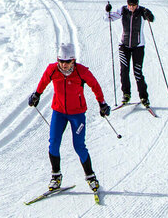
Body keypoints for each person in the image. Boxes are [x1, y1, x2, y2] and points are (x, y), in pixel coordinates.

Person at [28, 43, 110, 193]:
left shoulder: (81, 71)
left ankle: (91, 176)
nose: (64, 65)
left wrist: (102, 103)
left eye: (67, 62)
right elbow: (44, 81)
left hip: (77, 114)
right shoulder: (52, 69)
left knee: (79, 146)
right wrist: (36, 95)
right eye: (61, 61)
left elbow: (95, 86)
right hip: (59, 112)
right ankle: (56, 177)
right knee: (53, 143)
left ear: (73, 60)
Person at [105, 0, 154, 107]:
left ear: (137, 3)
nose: (131, 7)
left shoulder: (142, 11)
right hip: (124, 45)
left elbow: (152, 19)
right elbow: (108, 18)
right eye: (130, 5)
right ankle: (126, 94)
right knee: (124, 71)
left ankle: (144, 97)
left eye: (134, 5)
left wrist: (148, 14)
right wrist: (107, 11)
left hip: (138, 46)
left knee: (137, 72)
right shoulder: (123, 10)